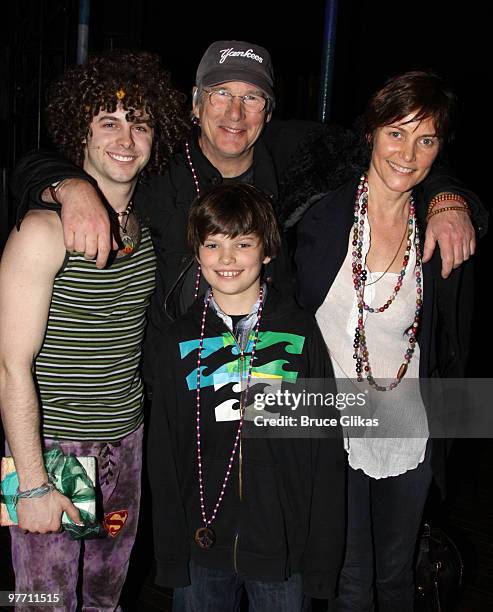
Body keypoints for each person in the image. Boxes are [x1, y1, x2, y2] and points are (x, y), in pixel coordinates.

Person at [11, 41, 483, 339]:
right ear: (195, 104)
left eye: (251, 98)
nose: (234, 114)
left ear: (268, 111)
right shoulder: (156, 160)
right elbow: (44, 159)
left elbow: (395, 151)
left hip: (270, 376)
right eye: (221, 94)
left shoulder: (300, 156)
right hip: (172, 384)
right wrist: (69, 185)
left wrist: (448, 197)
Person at [0, 51, 188, 611]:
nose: (125, 138)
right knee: (44, 603)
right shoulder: (42, 230)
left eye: (140, 123)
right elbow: (10, 366)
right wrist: (31, 484)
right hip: (52, 449)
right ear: (79, 132)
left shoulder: (148, 224)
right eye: (108, 121)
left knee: (106, 598)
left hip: (125, 445)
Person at [295, 71, 477, 611]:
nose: (408, 152)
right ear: (370, 132)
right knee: (350, 578)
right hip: (331, 416)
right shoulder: (321, 211)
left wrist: (451, 198)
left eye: (426, 139)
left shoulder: (441, 229)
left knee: (398, 576)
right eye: (396, 132)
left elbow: (453, 343)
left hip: (407, 423)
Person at [148, 183, 345, 611]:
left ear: (267, 251)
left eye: (242, 243)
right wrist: (170, 554)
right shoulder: (178, 340)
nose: (227, 258)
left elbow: (323, 453)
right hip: (201, 549)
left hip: (281, 550)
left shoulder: (298, 334)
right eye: (213, 244)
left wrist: (320, 562)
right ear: (197, 253)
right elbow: (163, 453)